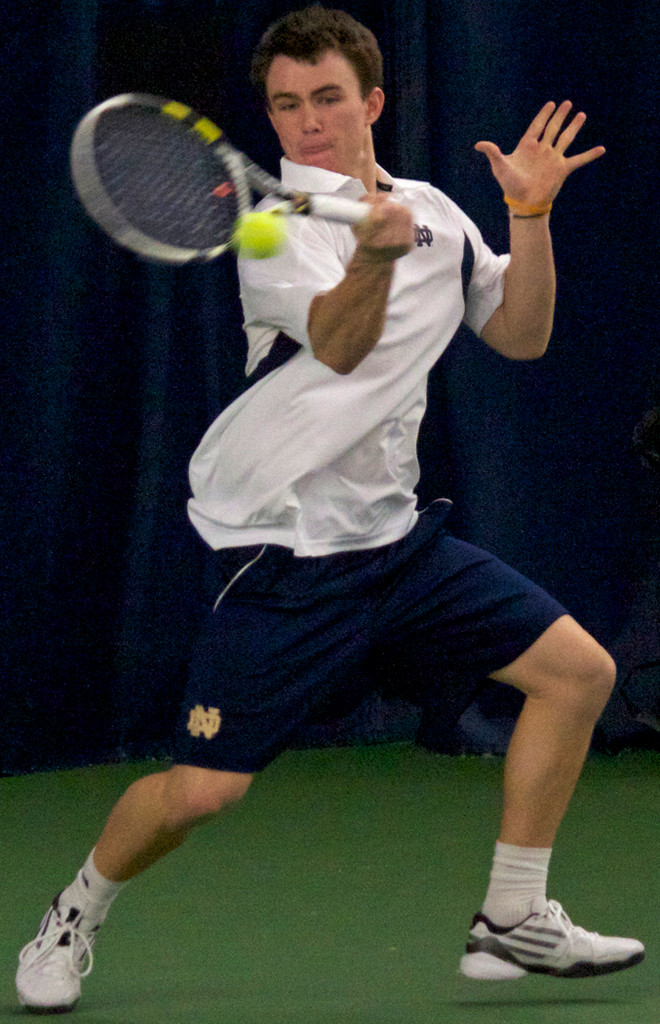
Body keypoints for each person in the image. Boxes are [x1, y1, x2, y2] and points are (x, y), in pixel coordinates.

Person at [16, 5, 645, 1013]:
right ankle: (76, 908)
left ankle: (512, 916)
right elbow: (341, 345)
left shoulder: (436, 209)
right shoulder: (265, 225)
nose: (306, 123)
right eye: (285, 105)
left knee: (578, 673)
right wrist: (374, 258)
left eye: (327, 99)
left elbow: (522, 335)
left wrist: (529, 220)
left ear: (373, 103)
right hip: (282, 557)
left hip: (395, 543)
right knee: (205, 790)